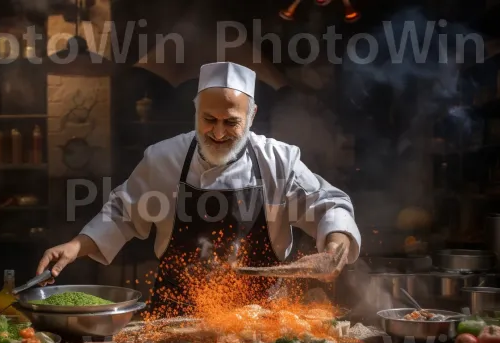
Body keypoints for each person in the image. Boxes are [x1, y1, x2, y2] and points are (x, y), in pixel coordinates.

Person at [36, 62, 361, 313]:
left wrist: (335, 246)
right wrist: (77, 246)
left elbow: (328, 205)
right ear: (195, 112)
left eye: (231, 121)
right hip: (175, 311)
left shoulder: (279, 160)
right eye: (209, 119)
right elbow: (122, 213)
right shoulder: (164, 158)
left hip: (259, 315)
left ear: (251, 115)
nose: (218, 132)